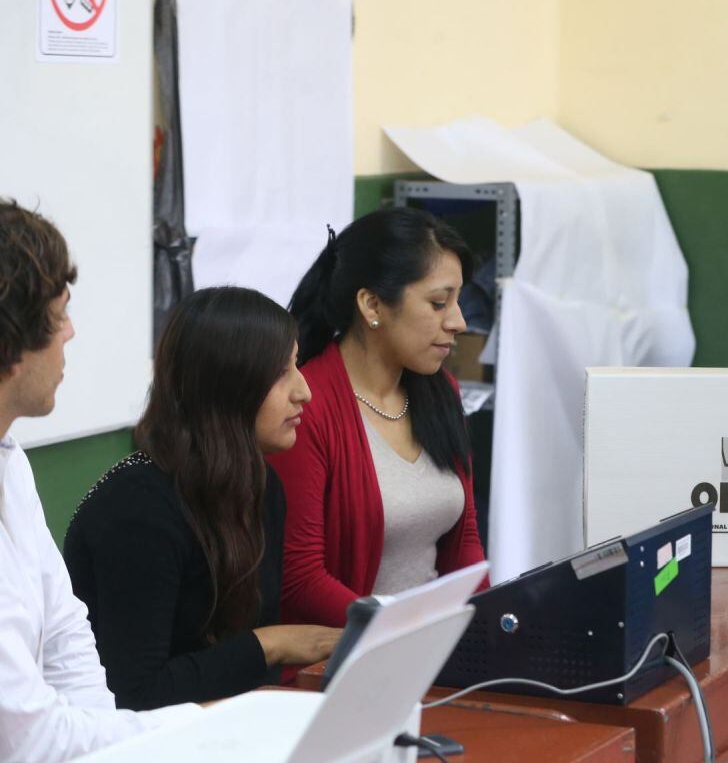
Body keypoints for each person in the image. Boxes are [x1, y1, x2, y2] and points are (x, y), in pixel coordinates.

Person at [63, 288, 342, 709]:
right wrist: (270, 645)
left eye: (296, 365)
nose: (304, 390)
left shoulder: (261, 487)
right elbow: (134, 693)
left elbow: (245, 676)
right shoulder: (137, 510)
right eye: (280, 373)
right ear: (228, 385)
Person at [0, 200, 200, 762]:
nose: (71, 332)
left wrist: (108, 745)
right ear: (12, 345)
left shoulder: (9, 459)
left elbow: (64, 631)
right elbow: (26, 738)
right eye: (60, 315)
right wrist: (196, 730)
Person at [272, 207, 487, 629]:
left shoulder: (441, 391)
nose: (459, 322)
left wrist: (487, 627)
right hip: (348, 655)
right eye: (439, 303)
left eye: (457, 301)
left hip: (428, 646)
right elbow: (300, 578)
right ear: (372, 304)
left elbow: (465, 544)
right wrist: (399, 633)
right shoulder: (305, 406)